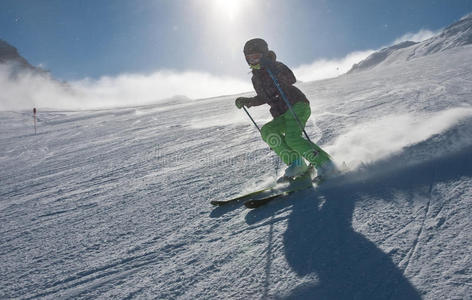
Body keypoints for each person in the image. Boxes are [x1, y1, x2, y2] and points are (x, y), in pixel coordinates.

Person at [235, 38, 335, 178]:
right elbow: (264, 97)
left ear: (264, 55)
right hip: (281, 113)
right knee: (268, 131)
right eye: (249, 58)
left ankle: (326, 164)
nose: (253, 61)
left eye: (256, 56)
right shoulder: (255, 78)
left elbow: (291, 79)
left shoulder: (276, 65)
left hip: (296, 105)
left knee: (292, 138)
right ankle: (297, 164)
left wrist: (272, 67)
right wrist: (249, 101)